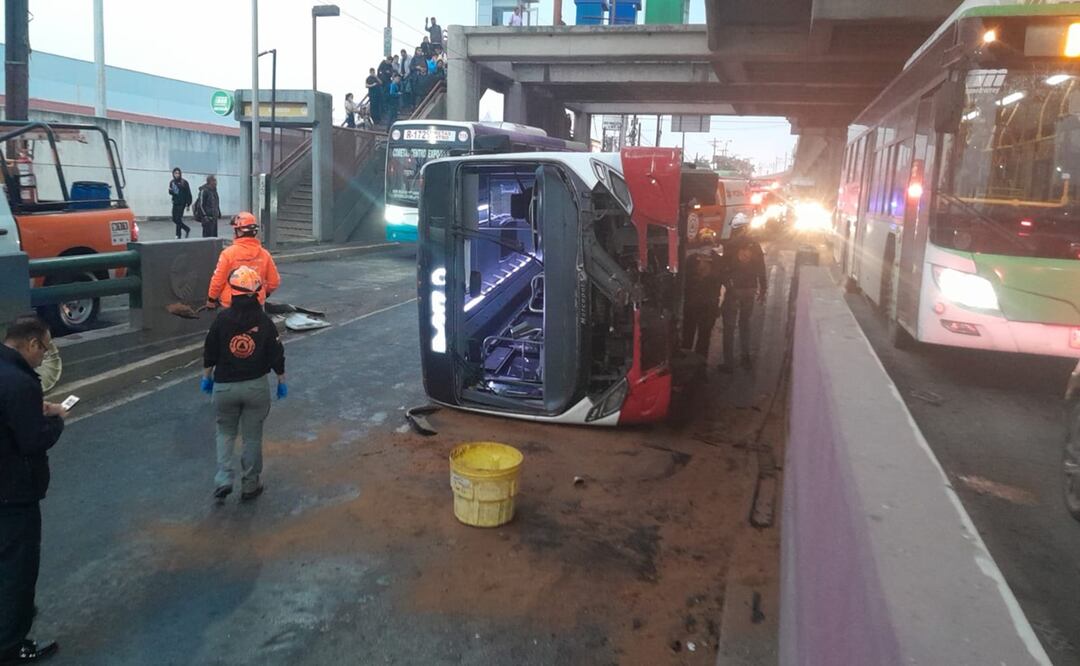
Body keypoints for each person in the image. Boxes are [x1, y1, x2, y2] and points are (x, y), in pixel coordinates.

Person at [0, 317, 66, 664]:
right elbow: (33, 440)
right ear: (32, 344)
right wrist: (56, 420)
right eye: (46, 348)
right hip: (15, 491)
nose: (45, 356)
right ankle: (12, 646)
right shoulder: (22, 383)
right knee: (18, 569)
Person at [202, 266, 286, 502]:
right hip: (255, 387)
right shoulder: (264, 321)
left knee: (225, 432)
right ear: (257, 292)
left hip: (225, 387)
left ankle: (223, 478)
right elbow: (276, 354)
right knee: (252, 437)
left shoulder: (221, 320)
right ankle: (250, 484)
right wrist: (281, 379)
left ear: (233, 291)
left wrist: (207, 377)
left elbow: (210, 352)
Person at [718, 213, 767, 372]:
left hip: (735, 290)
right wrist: (763, 288)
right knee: (745, 324)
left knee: (729, 327)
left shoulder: (730, 245)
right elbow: (761, 268)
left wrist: (727, 284)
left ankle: (728, 364)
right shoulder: (756, 245)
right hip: (750, 289)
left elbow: (723, 269)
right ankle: (745, 358)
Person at [206, 212, 281, 310]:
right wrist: (262, 293)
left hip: (231, 304)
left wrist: (211, 299)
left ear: (240, 232)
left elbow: (218, 280)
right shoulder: (264, 254)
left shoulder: (228, 253)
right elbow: (274, 282)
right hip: (256, 303)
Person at [682, 252, 723, 358]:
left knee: (688, 336)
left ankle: (687, 362)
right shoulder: (716, 260)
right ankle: (699, 363)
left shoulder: (690, 259)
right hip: (707, 305)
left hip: (693, 305)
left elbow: (684, 282)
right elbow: (720, 281)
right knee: (703, 338)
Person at [168, 167, 193, 239]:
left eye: (178, 173)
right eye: (175, 173)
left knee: (178, 218)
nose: (177, 175)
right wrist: (171, 192)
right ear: (173, 174)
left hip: (182, 203)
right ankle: (186, 229)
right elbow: (171, 192)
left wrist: (188, 204)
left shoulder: (184, 182)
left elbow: (188, 193)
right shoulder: (172, 182)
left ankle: (178, 235)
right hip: (175, 202)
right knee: (174, 219)